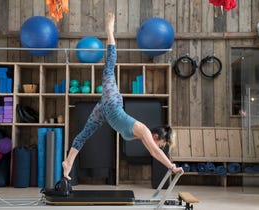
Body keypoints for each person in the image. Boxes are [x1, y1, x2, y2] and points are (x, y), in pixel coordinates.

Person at [62, 12, 183, 180]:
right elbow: (155, 151)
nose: (160, 147)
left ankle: (68, 163)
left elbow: (153, 152)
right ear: (156, 137)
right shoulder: (143, 131)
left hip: (104, 111)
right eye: (162, 144)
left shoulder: (143, 136)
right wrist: (171, 166)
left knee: (84, 134)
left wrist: (169, 165)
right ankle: (110, 30)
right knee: (109, 66)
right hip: (112, 103)